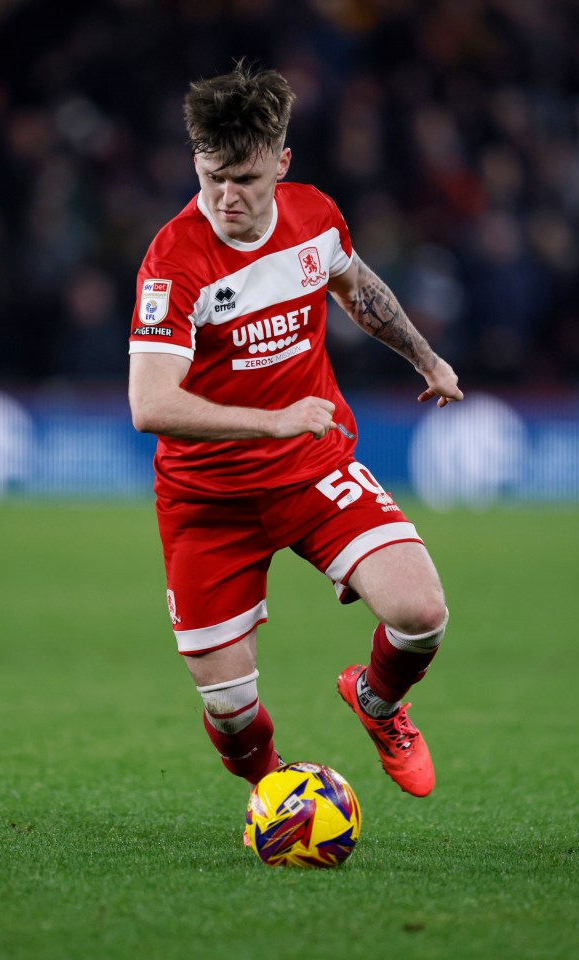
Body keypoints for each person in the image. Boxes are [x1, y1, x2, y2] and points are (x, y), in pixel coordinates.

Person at [128, 61, 463, 802]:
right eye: (212, 175)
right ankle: (273, 793)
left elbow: (356, 286)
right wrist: (273, 419)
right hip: (207, 502)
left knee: (421, 613)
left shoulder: (314, 216)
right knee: (232, 711)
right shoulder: (175, 261)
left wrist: (427, 356)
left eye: (245, 178)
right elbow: (150, 404)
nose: (226, 196)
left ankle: (376, 702)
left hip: (312, 471)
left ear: (281, 163)